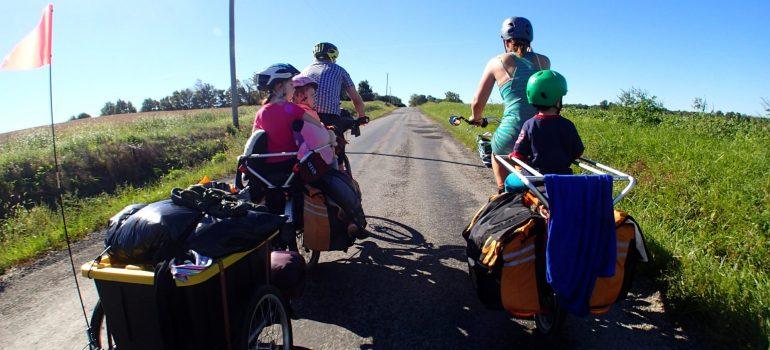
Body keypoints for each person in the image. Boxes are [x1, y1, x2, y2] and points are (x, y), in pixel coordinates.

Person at [468, 17, 551, 192]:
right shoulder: (544, 61)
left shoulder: (496, 62)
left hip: (511, 132)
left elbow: (477, 102)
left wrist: (475, 118)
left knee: (496, 152)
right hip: (541, 132)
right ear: (530, 40)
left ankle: (502, 193)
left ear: (505, 41)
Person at [510, 70, 583, 175]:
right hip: (563, 177)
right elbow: (577, 151)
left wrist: (514, 156)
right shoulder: (568, 125)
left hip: (535, 177)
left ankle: (503, 189)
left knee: (509, 181)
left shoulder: (529, 124)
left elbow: (518, 153)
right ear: (558, 100)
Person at [301, 42, 368, 130]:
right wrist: (362, 116)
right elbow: (355, 98)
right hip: (329, 118)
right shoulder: (339, 70)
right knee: (340, 133)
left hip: (304, 116)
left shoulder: (304, 71)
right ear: (333, 56)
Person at [291, 75, 338, 168]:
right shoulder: (307, 113)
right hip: (315, 153)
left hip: (300, 152)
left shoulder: (292, 111)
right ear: (300, 96)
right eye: (312, 95)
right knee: (334, 158)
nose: (315, 99)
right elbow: (317, 130)